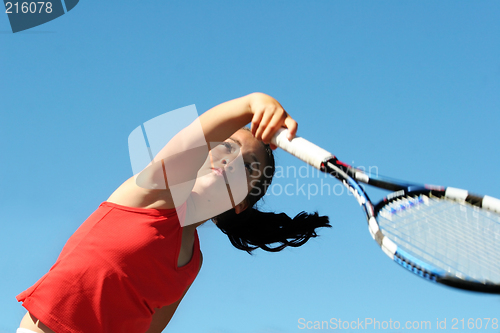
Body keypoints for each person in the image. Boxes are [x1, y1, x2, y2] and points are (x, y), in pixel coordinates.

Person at [16, 93, 331, 333]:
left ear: (241, 203)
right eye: (226, 146)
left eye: (248, 167)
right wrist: (253, 102)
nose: (231, 161)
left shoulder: (191, 262)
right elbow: (197, 132)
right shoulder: (155, 191)